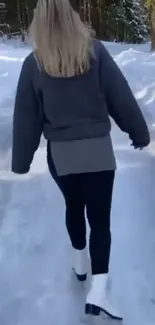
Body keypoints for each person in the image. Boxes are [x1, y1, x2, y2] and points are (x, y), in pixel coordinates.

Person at [12, 0, 150, 321]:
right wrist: (138, 131)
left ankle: (79, 263)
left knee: (73, 207)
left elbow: (27, 117)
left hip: (62, 156)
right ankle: (99, 291)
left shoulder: (35, 63)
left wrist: (22, 160)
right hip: (99, 152)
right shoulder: (95, 52)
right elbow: (121, 95)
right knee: (100, 220)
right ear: (73, 18)